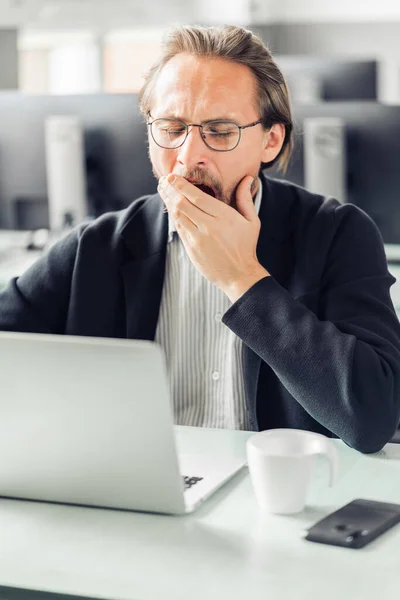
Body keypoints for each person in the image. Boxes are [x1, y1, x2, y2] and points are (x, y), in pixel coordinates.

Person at [0, 25, 399, 453]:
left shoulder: (338, 233)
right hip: (142, 490)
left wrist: (244, 280)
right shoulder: (96, 248)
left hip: (275, 503)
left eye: (220, 131)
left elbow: (372, 419)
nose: (189, 157)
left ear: (271, 139)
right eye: (171, 129)